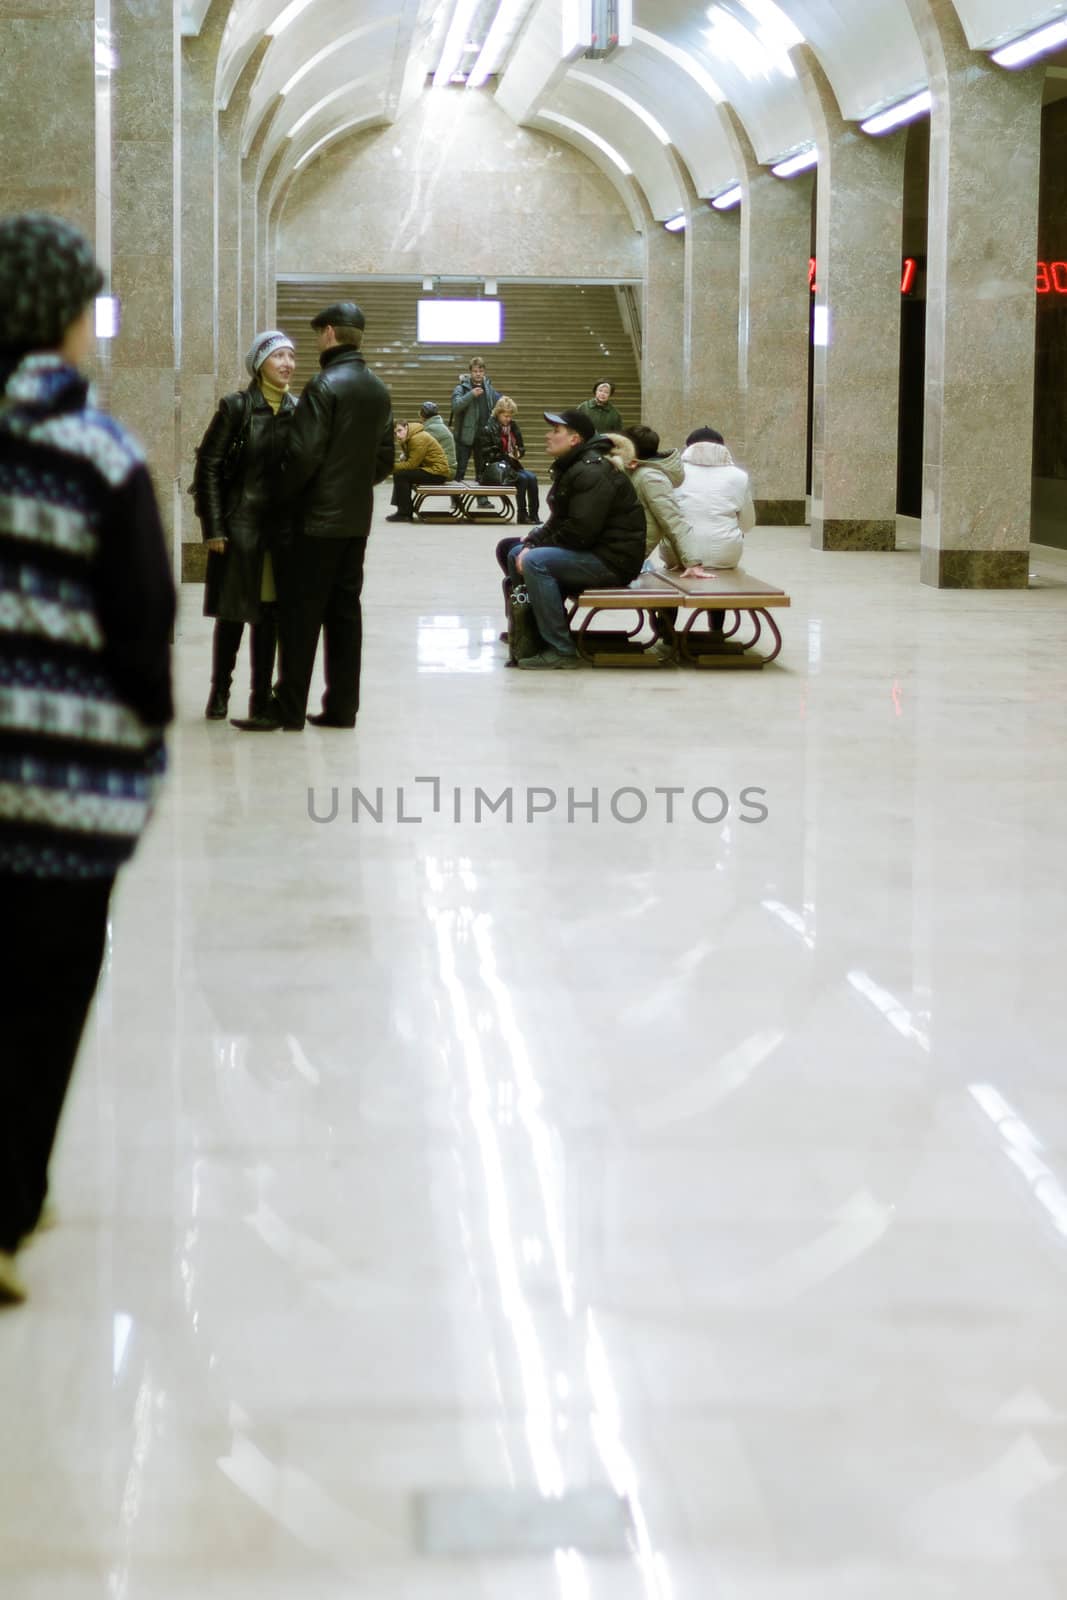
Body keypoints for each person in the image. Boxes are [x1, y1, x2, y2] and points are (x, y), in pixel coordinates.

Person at [0, 212, 174, 1305]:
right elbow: (142, 614)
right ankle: (7, 1203)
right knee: (42, 992)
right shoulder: (95, 450)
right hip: (61, 786)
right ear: (63, 322)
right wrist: (149, 729)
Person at [235, 300, 393, 732]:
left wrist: (282, 499)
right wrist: (354, 485)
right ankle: (342, 709)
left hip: (314, 524)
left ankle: (288, 709)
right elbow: (385, 459)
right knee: (345, 614)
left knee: (300, 618)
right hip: (355, 522)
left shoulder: (324, 386)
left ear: (327, 333)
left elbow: (302, 457)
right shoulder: (378, 389)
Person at [195, 329, 296, 722]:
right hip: (238, 527)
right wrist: (214, 527)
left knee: (269, 615)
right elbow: (208, 467)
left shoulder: (298, 409)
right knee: (233, 614)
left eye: (291, 356)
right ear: (259, 364)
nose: (287, 363)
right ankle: (219, 691)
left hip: (278, 532)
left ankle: (259, 698)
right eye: (278, 356)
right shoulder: (236, 407)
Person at [504, 409, 645, 670]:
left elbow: (580, 532)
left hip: (612, 562)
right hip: (595, 552)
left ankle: (560, 648)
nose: (548, 436)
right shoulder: (574, 467)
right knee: (516, 551)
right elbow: (560, 520)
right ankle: (531, 637)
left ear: (574, 439)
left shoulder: (592, 471)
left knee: (535, 561)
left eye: (556, 431)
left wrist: (534, 550)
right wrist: (533, 540)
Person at [673, 426, 756, 571]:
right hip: (726, 555)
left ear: (688, 448)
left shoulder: (674, 474)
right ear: (722, 448)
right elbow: (747, 525)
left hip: (677, 555)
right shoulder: (739, 476)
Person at [606, 425, 690, 563]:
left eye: (621, 446)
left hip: (624, 556)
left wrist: (692, 562)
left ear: (632, 450)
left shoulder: (650, 477)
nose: (616, 450)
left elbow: (673, 520)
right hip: (618, 547)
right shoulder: (635, 470)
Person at [478, 396, 540, 523]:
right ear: (498, 414)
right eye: (505, 416)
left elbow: (522, 447)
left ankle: (534, 515)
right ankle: (522, 514)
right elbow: (486, 454)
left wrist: (518, 453)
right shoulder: (488, 428)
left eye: (510, 416)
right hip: (495, 468)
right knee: (522, 479)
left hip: (512, 465)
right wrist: (506, 455)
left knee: (532, 478)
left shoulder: (513, 427)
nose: (508, 419)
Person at [387, 417, 451, 521]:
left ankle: (404, 513)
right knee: (400, 474)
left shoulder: (417, 438)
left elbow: (412, 464)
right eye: (395, 433)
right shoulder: (409, 437)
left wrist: (390, 467)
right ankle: (403, 511)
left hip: (437, 473)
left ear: (406, 427)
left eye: (399, 431)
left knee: (401, 475)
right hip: (430, 469)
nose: (397, 435)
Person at [450, 357, 501, 481]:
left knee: (482, 471)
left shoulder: (489, 389)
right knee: (460, 470)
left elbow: (497, 406)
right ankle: (457, 499)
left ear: (484, 372)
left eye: (481, 371)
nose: (478, 374)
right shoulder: (461, 388)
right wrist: (471, 395)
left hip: (483, 437)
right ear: (470, 372)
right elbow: (456, 407)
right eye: (475, 371)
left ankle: (482, 500)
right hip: (464, 436)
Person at [419, 400, 456, 477]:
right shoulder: (437, 426)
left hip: (443, 470)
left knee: (402, 474)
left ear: (422, 416)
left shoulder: (431, 429)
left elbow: (419, 449)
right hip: (446, 468)